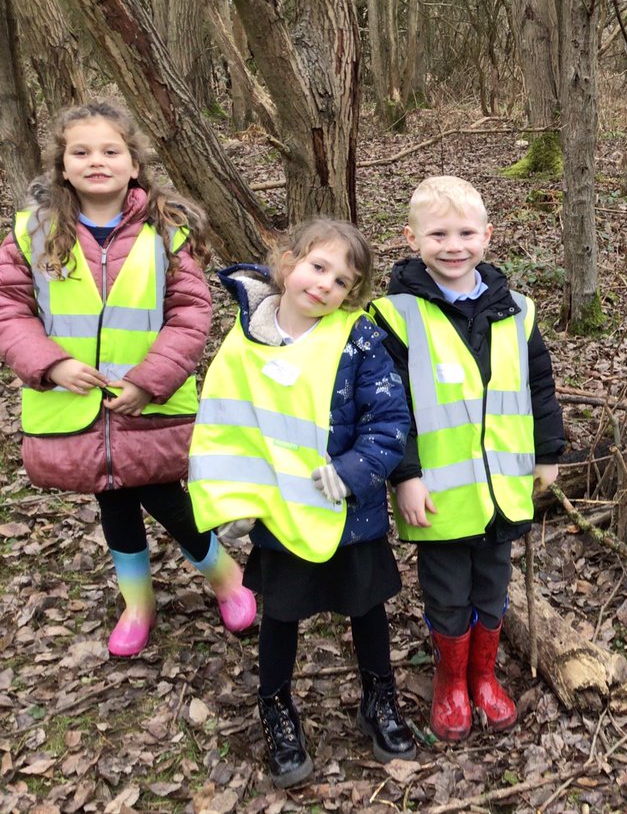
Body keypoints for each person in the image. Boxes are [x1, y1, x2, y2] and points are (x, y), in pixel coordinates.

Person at [0, 100, 255, 659]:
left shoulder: (166, 231)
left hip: (149, 403)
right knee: (112, 499)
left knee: (166, 494)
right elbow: (9, 309)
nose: (97, 161)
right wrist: (51, 364)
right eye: (81, 152)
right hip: (72, 404)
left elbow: (190, 312)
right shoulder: (32, 233)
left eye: (111, 151)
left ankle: (226, 578)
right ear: (61, 166)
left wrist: (152, 378)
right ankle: (137, 603)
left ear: (134, 164)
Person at [188, 219, 416, 788]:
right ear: (288, 264)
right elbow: (224, 426)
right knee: (281, 615)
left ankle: (378, 697)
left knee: (367, 609)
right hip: (280, 514)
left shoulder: (359, 339)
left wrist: (354, 471)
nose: (325, 285)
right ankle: (276, 706)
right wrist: (232, 502)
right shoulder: (243, 342)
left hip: (347, 512)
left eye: (342, 280)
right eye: (318, 267)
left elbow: (389, 420)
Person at [370, 175, 565, 742]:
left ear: (487, 235)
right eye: (437, 234)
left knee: (492, 587)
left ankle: (483, 676)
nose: (452, 246)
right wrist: (405, 475)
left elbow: (539, 386)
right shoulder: (395, 317)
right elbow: (390, 407)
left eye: (465, 233)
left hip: (502, 488)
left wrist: (548, 452)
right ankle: (451, 681)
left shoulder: (517, 310)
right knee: (447, 592)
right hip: (439, 495)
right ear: (412, 238)